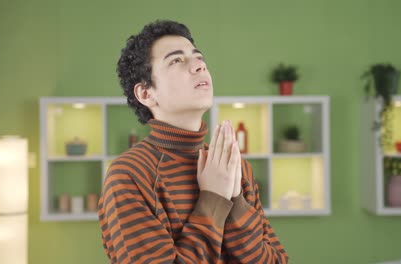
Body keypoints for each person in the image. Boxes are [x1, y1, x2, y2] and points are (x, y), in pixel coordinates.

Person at [98, 20, 288, 264]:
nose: (199, 65)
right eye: (176, 60)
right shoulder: (130, 175)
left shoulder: (235, 168)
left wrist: (235, 202)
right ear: (146, 93)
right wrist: (213, 198)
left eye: (198, 57)